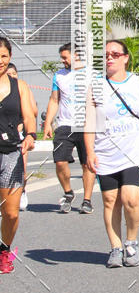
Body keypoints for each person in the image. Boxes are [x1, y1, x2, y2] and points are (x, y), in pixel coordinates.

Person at [84, 40, 139, 268]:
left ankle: (131, 242)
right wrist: (90, 152)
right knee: (110, 200)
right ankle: (115, 247)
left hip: (134, 151)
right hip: (105, 152)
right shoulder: (96, 86)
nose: (110, 57)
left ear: (125, 58)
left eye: (115, 54)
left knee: (131, 198)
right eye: (107, 54)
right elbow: (90, 122)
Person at [43, 42, 95, 214]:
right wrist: (48, 123)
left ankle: (87, 200)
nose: (62, 61)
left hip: (86, 125)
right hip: (65, 124)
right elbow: (54, 100)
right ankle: (68, 192)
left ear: (76, 56)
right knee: (60, 161)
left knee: (87, 164)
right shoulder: (59, 76)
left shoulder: (92, 75)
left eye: (65, 57)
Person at [0, 38, 36, 274]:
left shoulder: (19, 85)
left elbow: (29, 115)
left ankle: (4, 249)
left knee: (11, 212)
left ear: (10, 57)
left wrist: (31, 135)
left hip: (11, 152)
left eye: (3, 56)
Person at [6, 63, 37, 211]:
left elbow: (33, 112)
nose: (11, 75)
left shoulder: (21, 87)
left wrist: (30, 134)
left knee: (21, 168)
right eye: (9, 73)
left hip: (18, 134)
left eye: (14, 73)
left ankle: (21, 191)